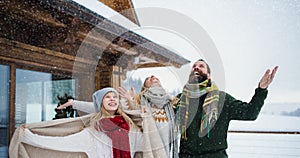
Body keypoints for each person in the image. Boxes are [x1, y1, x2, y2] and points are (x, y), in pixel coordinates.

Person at [176, 59, 278, 158]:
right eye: (194, 66)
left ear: (208, 75)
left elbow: (249, 113)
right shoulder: (181, 100)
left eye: (201, 66)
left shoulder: (222, 99)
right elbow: (162, 116)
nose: (196, 68)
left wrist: (261, 90)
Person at [57, 76, 178, 158]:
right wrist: (74, 103)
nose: (152, 76)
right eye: (148, 78)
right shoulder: (137, 102)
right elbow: (104, 106)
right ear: (144, 87)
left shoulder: (172, 103)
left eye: (155, 77)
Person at [10, 87, 145, 158]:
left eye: (115, 97)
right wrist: (28, 136)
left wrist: (135, 104)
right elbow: (62, 142)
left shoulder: (129, 128)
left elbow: (151, 142)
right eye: (107, 97)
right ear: (100, 103)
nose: (112, 99)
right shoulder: (94, 131)